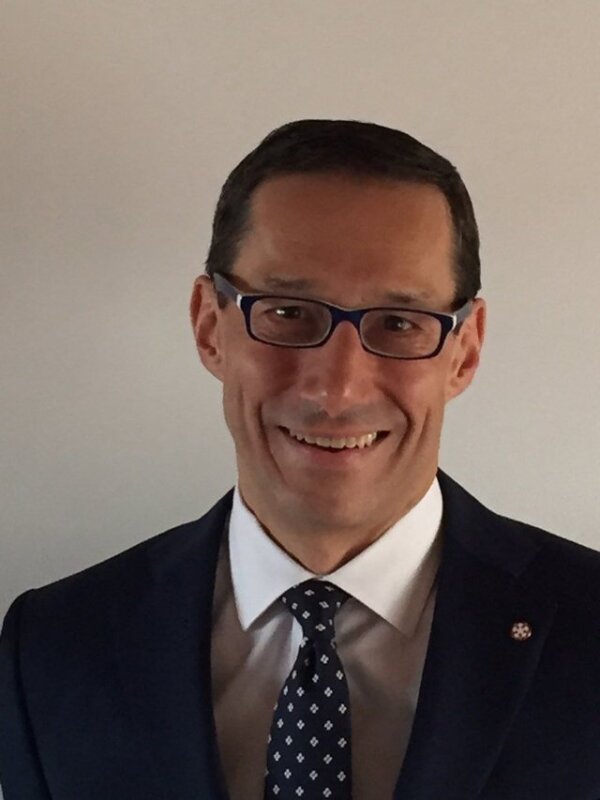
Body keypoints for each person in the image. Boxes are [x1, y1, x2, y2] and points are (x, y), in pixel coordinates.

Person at [1, 120, 599, 800]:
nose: (336, 390)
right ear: (209, 326)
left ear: (464, 351)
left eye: (399, 323)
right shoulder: (52, 648)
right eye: (287, 313)